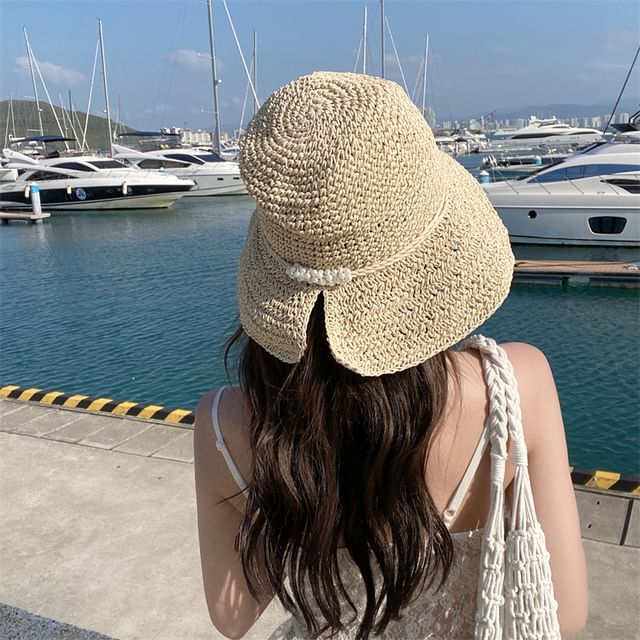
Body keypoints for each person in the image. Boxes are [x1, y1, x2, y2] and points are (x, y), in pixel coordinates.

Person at [194, 72, 587, 639]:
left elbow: (233, 616)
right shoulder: (514, 386)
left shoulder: (225, 423)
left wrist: (297, 508)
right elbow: (562, 613)